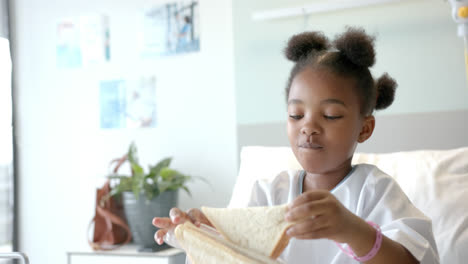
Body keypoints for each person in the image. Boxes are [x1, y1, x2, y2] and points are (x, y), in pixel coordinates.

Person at [152, 27, 439, 263]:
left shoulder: (374, 190)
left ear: (364, 128)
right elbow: (235, 250)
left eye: (330, 116)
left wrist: (351, 229)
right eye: (296, 115)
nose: (308, 127)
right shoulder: (267, 192)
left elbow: (413, 259)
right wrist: (203, 230)